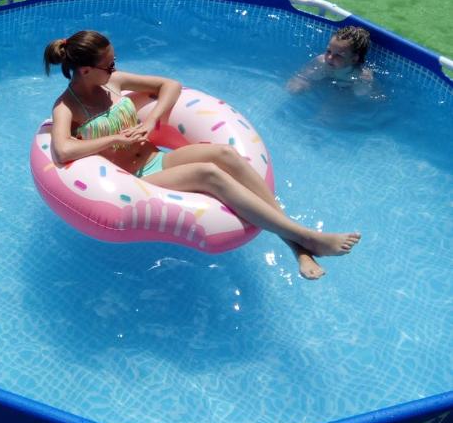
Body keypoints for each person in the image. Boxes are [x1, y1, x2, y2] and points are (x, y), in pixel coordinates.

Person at [43, 30, 360, 280]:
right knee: (208, 174)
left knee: (224, 154)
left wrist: (152, 120)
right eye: (109, 64)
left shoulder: (115, 81)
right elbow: (63, 150)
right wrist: (113, 138)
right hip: (135, 179)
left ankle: (298, 246)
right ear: (86, 70)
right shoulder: (67, 107)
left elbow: (171, 85)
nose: (115, 67)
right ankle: (305, 238)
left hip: (157, 159)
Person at [287, 26, 373, 96]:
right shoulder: (321, 61)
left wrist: (361, 87)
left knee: (334, 106)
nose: (330, 57)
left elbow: (362, 95)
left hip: (345, 90)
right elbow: (302, 77)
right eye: (328, 51)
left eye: (338, 55)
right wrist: (299, 84)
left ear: (354, 59)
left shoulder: (361, 75)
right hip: (325, 81)